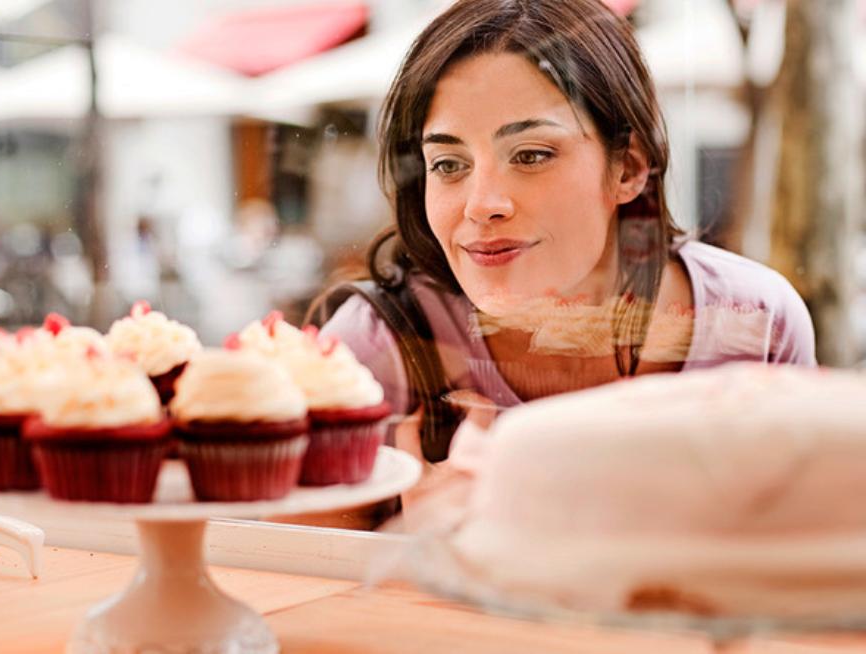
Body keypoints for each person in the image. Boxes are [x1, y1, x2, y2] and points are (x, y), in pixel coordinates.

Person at [313, 0, 816, 470]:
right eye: (448, 164)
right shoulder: (375, 350)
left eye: (531, 155)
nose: (483, 204)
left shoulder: (757, 325)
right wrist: (412, 547)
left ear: (629, 169)